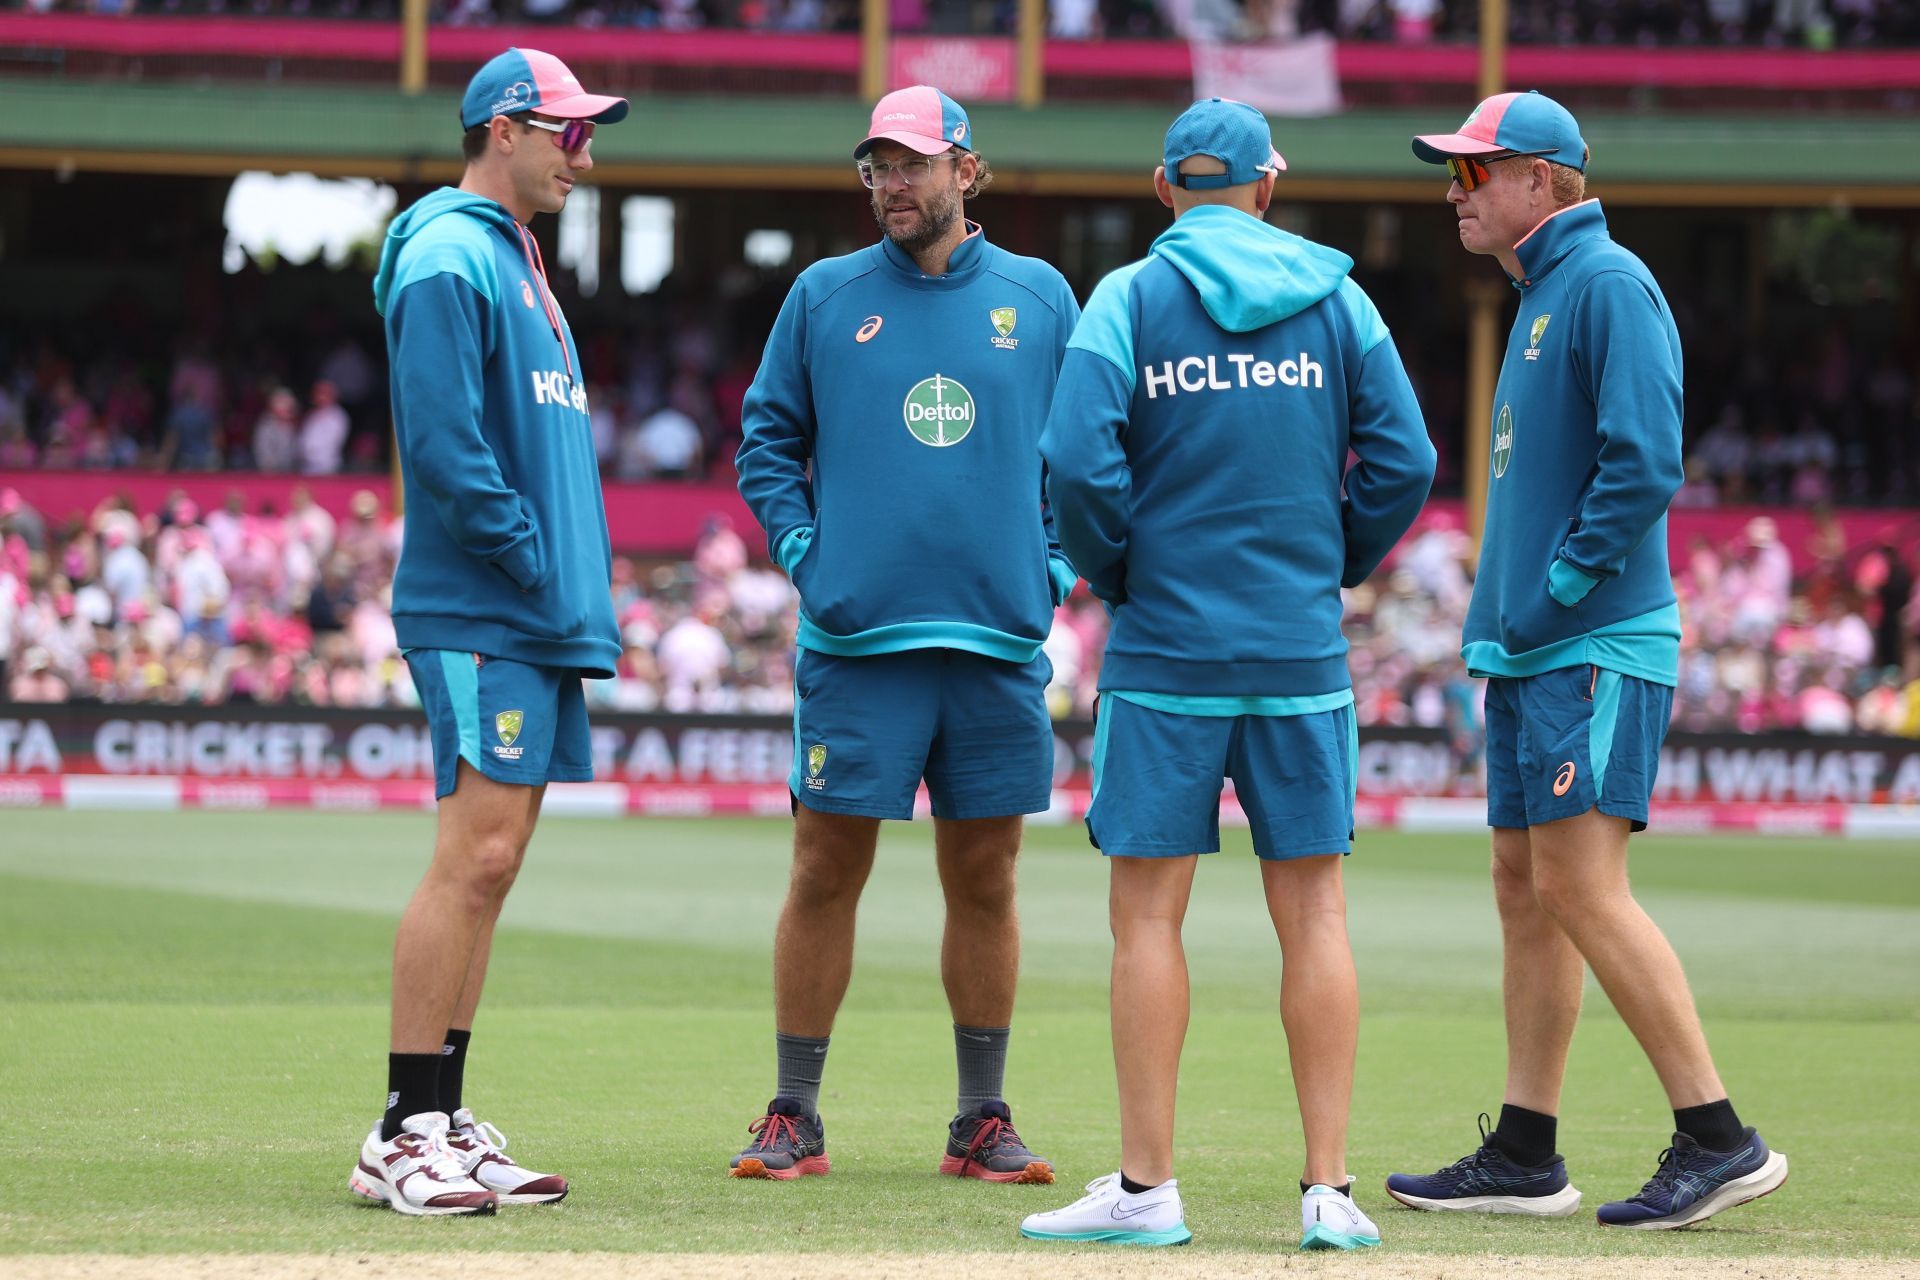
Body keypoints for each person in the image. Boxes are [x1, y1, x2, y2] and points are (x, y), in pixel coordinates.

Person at [1018, 98, 1435, 1252]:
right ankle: (1329, 1190)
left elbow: (1072, 462)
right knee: (1315, 910)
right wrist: (1333, 559)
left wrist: (1117, 569)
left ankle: (1149, 1190)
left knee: (1148, 915)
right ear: (1266, 186)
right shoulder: (1341, 299)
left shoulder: (1128, 298)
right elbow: (1407, 457)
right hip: (1300, 649)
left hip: (1166, 652)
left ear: (1165, 190)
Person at [1385, 90, 1788, 1230]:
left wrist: (1556, 593)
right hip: (1535, 652)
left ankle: (1719, 1135)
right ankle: (1526, 1147)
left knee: (1577, 886)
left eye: (1474, 173)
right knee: (1526, 889)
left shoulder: (1604, 283)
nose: (1453, 194)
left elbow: (1645, 458)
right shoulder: (1542, 292)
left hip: (1592, 643)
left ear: (1543, 180)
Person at [731, 84, 1080, 1186]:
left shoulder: (1042, 296)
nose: (893, 183)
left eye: (915, 163)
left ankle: (981, 1117)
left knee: (987, 879)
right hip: (856, 641)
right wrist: (805, 556)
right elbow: (765, 445)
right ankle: (794, 1110)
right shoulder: (824, 297)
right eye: (878, 164)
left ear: (966, 172)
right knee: (824, 870)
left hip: (995, 644)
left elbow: (1086, 457)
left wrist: (1056, 567)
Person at [348, 47, 628, 1217]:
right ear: (505, 129)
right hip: (483, 605)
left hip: (533, 611)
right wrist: (527, 560)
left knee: (496, 865)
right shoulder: (452, 252)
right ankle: (405, 1127)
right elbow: (452, 445)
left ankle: (444, 1109)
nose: (586, 153)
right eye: (567, 131)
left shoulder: (514, 259)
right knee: (473, 855)